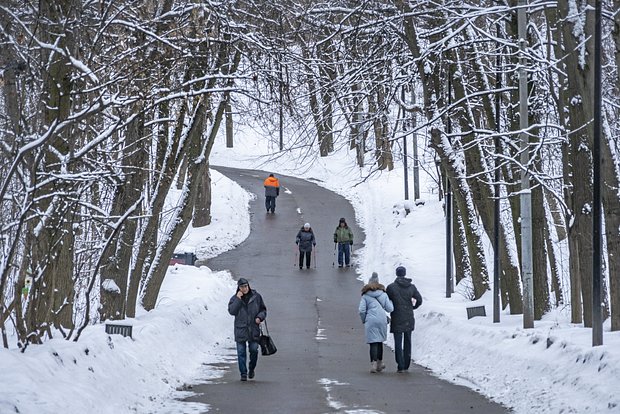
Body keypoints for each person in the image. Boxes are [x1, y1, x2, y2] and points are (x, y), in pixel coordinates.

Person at [228, 278, 267, 381]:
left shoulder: (256, 297)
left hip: (253, 328)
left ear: (248, 286)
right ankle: (243, 373)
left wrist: (259, 317)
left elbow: (263, 310)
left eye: (246, 286)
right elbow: (232, 311)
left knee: (254, 350)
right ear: (239, 288)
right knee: (241, 352)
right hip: (240, 329)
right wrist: (238, 299)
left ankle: (251, 368)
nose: (244, 289)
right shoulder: (234, 298)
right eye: (242, 287)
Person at [386, 266, 422, 373]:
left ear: (396, 274)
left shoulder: (391, 287)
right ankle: (406, 364)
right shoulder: (411, 287)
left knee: (398, 341)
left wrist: (391, 309)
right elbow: (419, 300)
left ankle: (400, 365)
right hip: (408, 317)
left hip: (397, 316)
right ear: (405, 273)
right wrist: (413, 307)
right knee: (408, 341)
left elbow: (386, 301)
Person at [359, 272, 394, 373]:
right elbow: (390, 308)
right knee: (379, 341)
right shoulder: (383, 294)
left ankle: (373, 364)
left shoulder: (365, 296)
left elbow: (361, 310)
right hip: (382, 319)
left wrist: (364, 319)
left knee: (373, 342)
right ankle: (380, 363)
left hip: (371, 320)